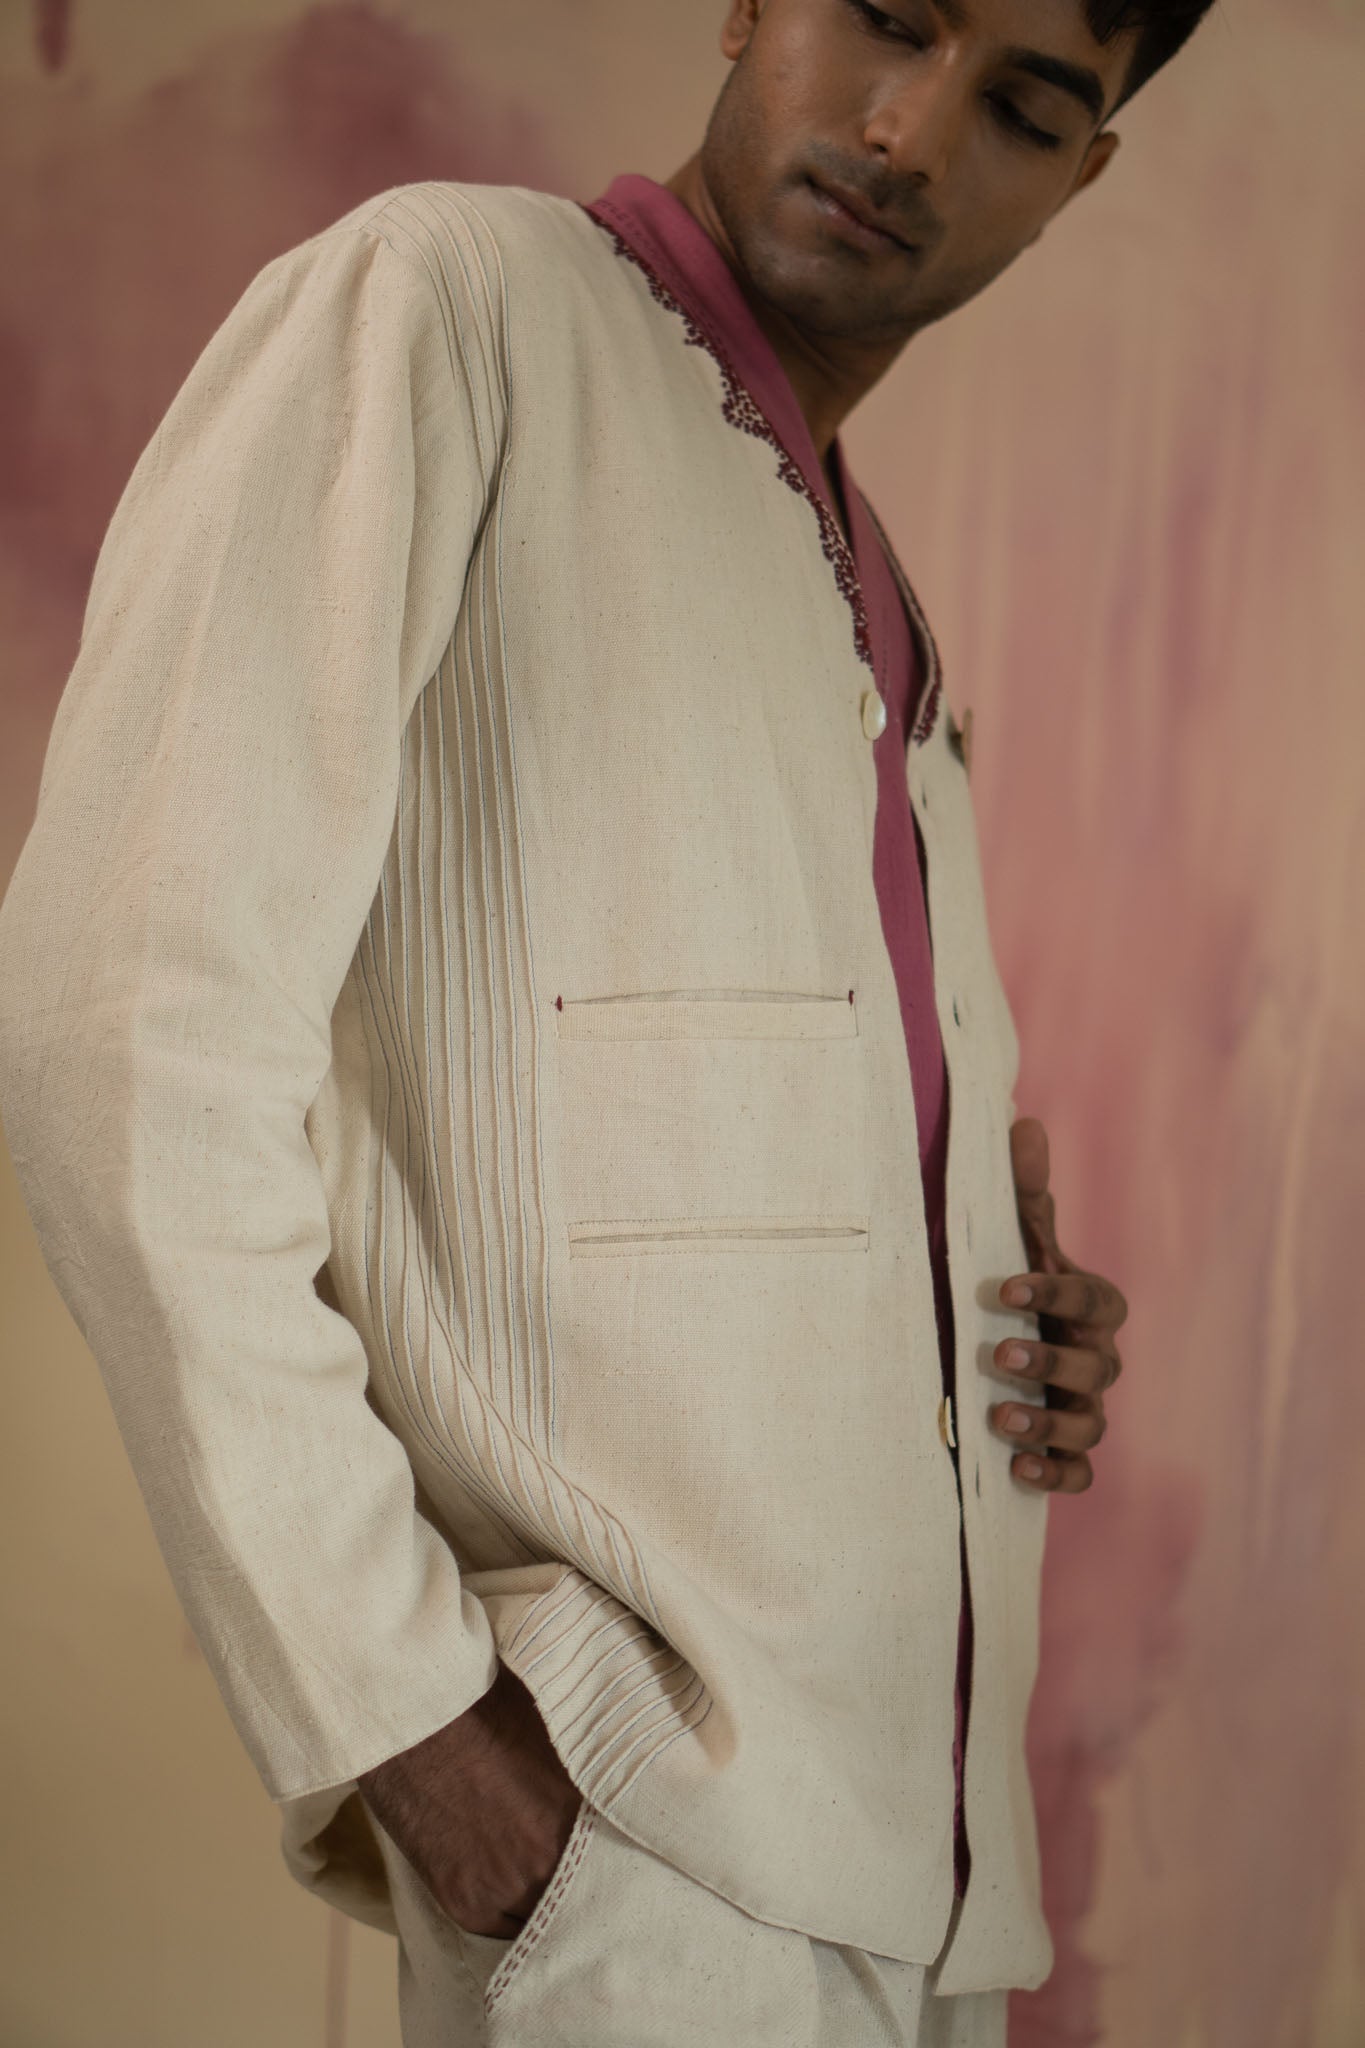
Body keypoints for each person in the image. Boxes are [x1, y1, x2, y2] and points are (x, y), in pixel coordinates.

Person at [0, 0, 1213, 2040]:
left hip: (923, 1893)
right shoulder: (446, 308)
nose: (910, 133)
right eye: (885, 18)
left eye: (1019, 105)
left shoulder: (868, 579)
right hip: (640, 1856)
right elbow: (123, 1034)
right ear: (747, 2)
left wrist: (965, 1307)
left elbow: (654, 1109)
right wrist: (412, 1731)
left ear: (1078, 176)